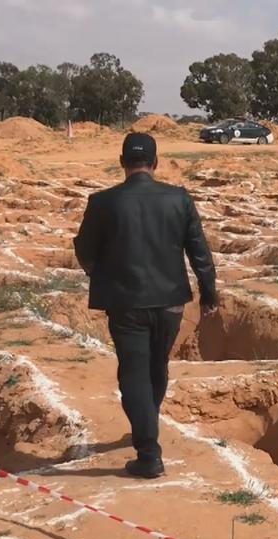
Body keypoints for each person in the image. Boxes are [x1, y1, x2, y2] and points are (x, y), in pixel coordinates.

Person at [73, 132, 218, 479]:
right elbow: (199, 251)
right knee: (157, 367)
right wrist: (209, 292)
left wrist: (101, 273)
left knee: (134, 373)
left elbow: (85, 251)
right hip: (171, 303)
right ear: (155, 163)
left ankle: (148, 452)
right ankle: (147, 422)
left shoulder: (102, 202)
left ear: (122, 162)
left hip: (126, 303)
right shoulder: (178, 199)